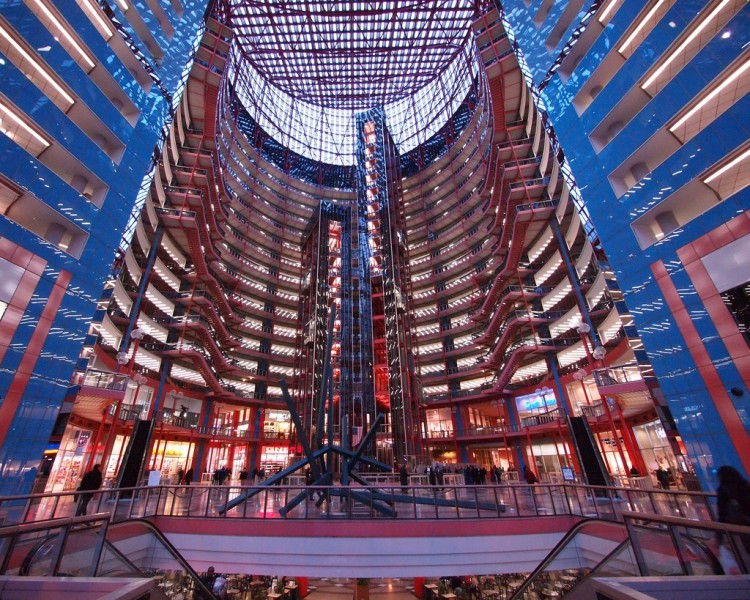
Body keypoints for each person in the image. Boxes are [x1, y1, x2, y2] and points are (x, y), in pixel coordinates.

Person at [717, 465, 750, 553]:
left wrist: (719, 535)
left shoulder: (723, 490)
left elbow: (722, 513)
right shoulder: (745, 484)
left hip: (740, 522)